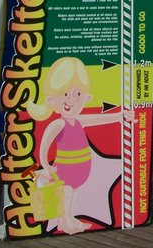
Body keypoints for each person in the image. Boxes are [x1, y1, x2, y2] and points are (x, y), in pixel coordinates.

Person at [27, 57, 130, 234]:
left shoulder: (78, 121)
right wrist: (45, 165)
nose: (72, 100)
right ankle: (65, 221)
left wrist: (120, 116)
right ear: (52, 99)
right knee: (66, 194)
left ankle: (66, 219)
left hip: (79, 170)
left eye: (78, 94)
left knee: (70, 195)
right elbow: (44, 146)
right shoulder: (58, 124)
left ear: (86, 98)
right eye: (66, 94)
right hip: (65, 170)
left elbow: (99, 119)